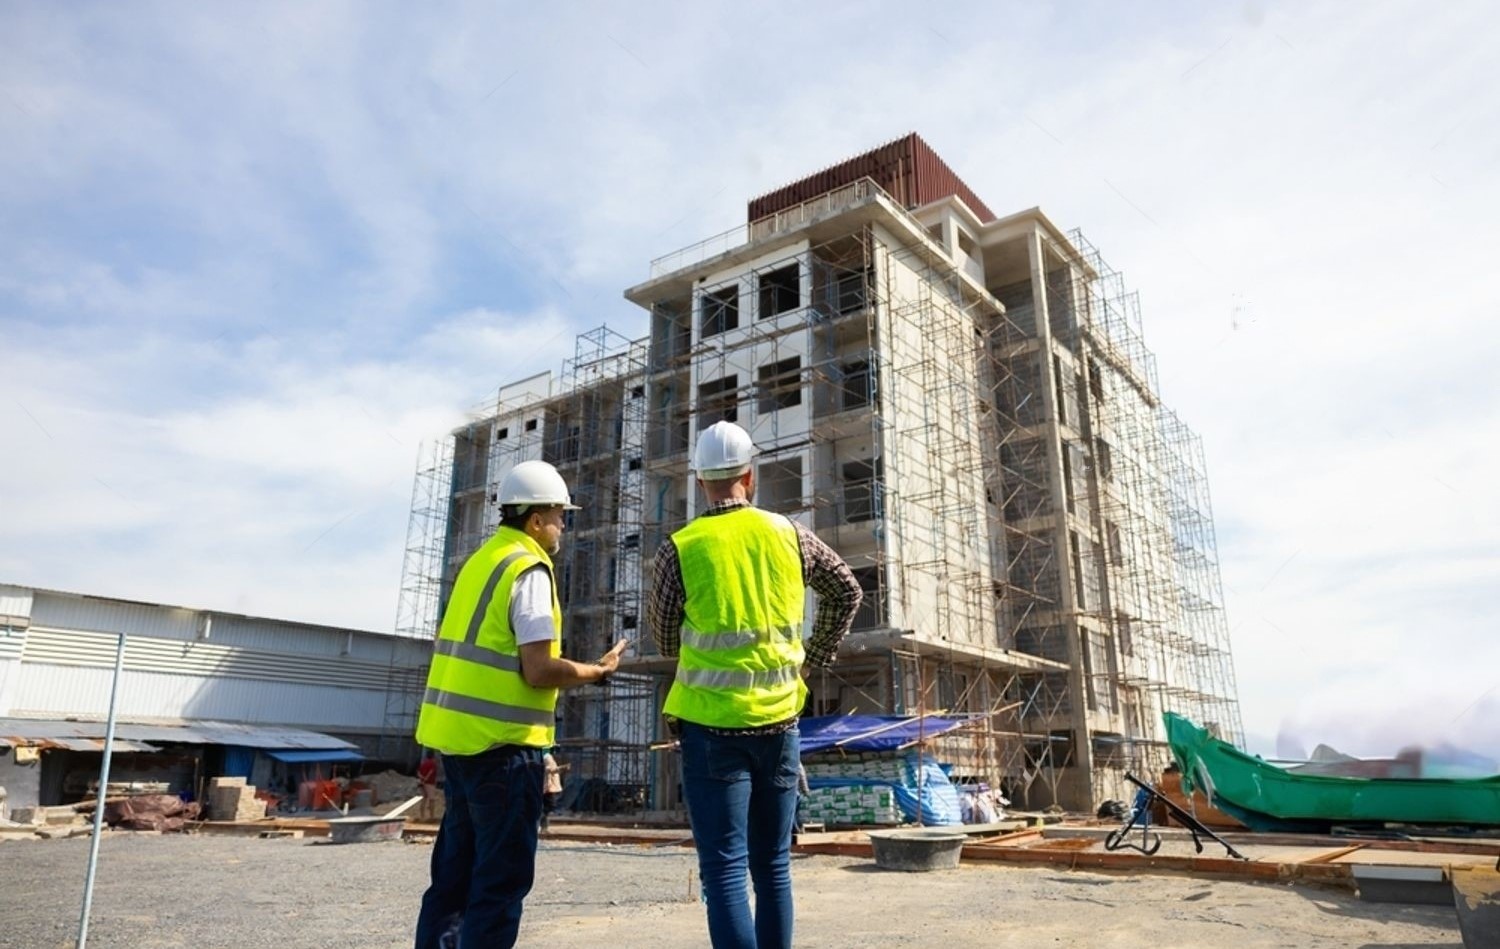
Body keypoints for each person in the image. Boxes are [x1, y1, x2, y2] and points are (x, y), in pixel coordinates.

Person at [649, 421, 862, 949]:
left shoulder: (679, 548)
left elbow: (664, 636)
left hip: (710, 729)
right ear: (751, 475)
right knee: (773, 868)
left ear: (700, 482)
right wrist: (813, 655)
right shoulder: (791, 535)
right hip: (781, 724)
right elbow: (847, 591)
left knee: (724, 872)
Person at [413, 460, 628, 949]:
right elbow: (538, 668)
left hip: (460, 747)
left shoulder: (482, 561)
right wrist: (597, 671)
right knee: (498, 886)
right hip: (504, 752)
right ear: (535, 519)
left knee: (451, 883)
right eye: (558, 516)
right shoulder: (529, 568)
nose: (562, 527)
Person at [540, 749, 568, 830]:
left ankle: (544, 825)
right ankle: (543, 824)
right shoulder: (547, 757)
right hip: (549, 786)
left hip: (550, 785)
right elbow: (549, 769)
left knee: (548, 806)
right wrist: (561, 768)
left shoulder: (547, 757)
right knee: (549, 806)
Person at [415, 751, 438, 823]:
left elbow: (418, 772)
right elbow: (431, 772)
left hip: (422, 782)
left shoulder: (423, 763)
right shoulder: (433, 764)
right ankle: (432, 816)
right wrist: (426, 779)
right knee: (432, 799)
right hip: (430, 783)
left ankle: (422, 816)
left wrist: (422, 779)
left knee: (424, 799)